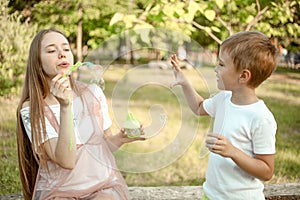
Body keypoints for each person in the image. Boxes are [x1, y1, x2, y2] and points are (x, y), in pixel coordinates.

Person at [16, 28, 145, 200]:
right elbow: (66, 161)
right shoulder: (33, 108)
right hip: (60, 190)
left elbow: (101, 148)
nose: (62, 54)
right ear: (37, 63)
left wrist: (119, 139)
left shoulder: (93, 93)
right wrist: (65, 106)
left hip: (101, 185)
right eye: (52, 50)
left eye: (66, 49)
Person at [170, 31, 278, 200]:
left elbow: (266, 171)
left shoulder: (260, 117)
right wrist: (185, 82)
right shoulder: (223, 99)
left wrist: (233, 152)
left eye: (221, 64)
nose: (215, 69)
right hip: (211, 195)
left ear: (243, 75)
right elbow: (199, 107)